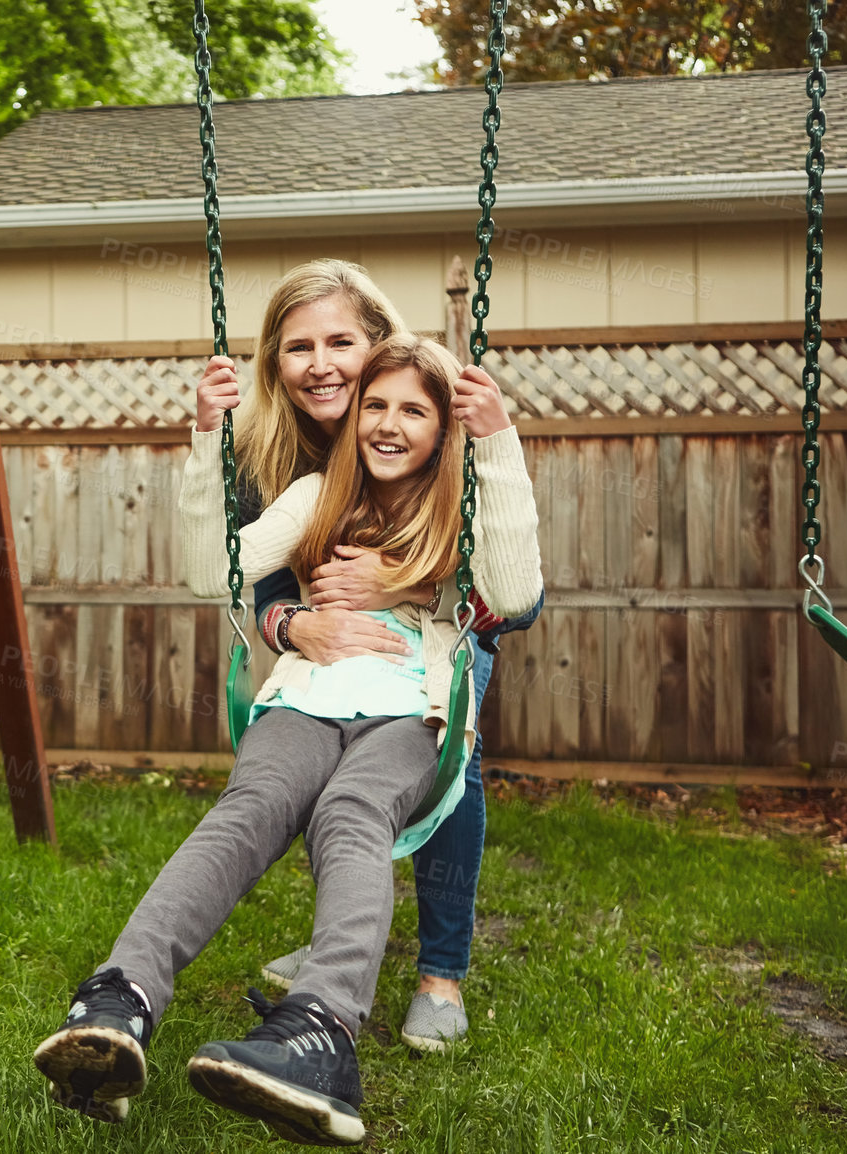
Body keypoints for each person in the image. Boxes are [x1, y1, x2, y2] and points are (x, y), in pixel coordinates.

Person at [32, 333, 543, 1146]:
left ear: (446, 428)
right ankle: (117, 1002)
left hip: (414, 710)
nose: (387, 422)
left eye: (414, 409)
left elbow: (515, 594)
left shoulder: (464, 508)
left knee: (351, 813)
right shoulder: (314, 497)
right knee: (249, 808)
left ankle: (321, 1033)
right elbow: (216, 573)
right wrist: (207, 442)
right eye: (375, 405)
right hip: (304, 698)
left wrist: (498, 441)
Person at [212, 259, 542, 1051]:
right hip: (333, 637)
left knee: (448, 765)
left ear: (379, 345)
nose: (321, 365)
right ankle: (340, 947)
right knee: (319, 770)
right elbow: (256, 588)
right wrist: (296, 628)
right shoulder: (266, 455)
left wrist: (402, 580)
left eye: (341, 343)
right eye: (298, 348)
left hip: (446, 630)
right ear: (274, 363)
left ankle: (440, 973)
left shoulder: (434, 423)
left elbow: (514, 598)